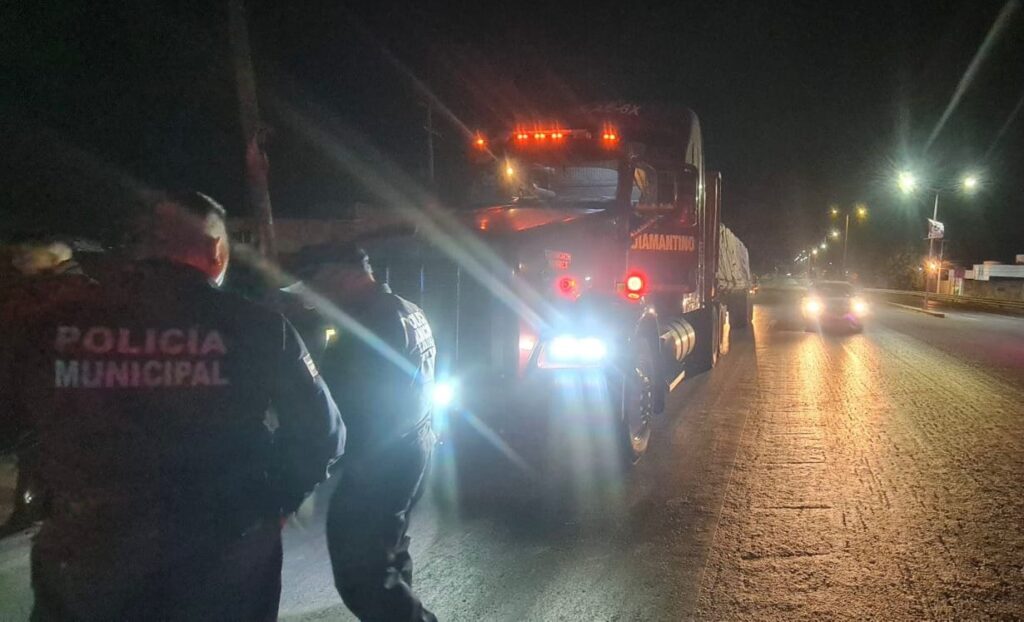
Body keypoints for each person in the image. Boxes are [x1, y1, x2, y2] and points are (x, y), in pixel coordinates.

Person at [3, 191, 345, 621]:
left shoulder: (51, 324)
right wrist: (275, 500)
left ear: (140, 246)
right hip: (221, 557)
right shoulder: (257, 325)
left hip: (88, 557)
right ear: (217, 251)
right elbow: (324, 435)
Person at [298, 242, 437, 622]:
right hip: (413, 446)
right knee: (390, 558)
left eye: (317, 286)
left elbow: (351, 404)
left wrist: (321, 464)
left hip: (381, 461)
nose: (314, 299)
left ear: (343, 275)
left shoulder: (368, 323)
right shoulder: (407, 310)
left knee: (362, 575)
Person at [0, 238, 94, 538]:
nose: (19, 260)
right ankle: (35, 508)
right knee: (37, 450)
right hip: (50, 383)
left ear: (52, 256)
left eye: (27, 254)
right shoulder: (67, 287)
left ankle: (42, 510)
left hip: (58, 384)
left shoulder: (67, 290)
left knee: (46, 449)